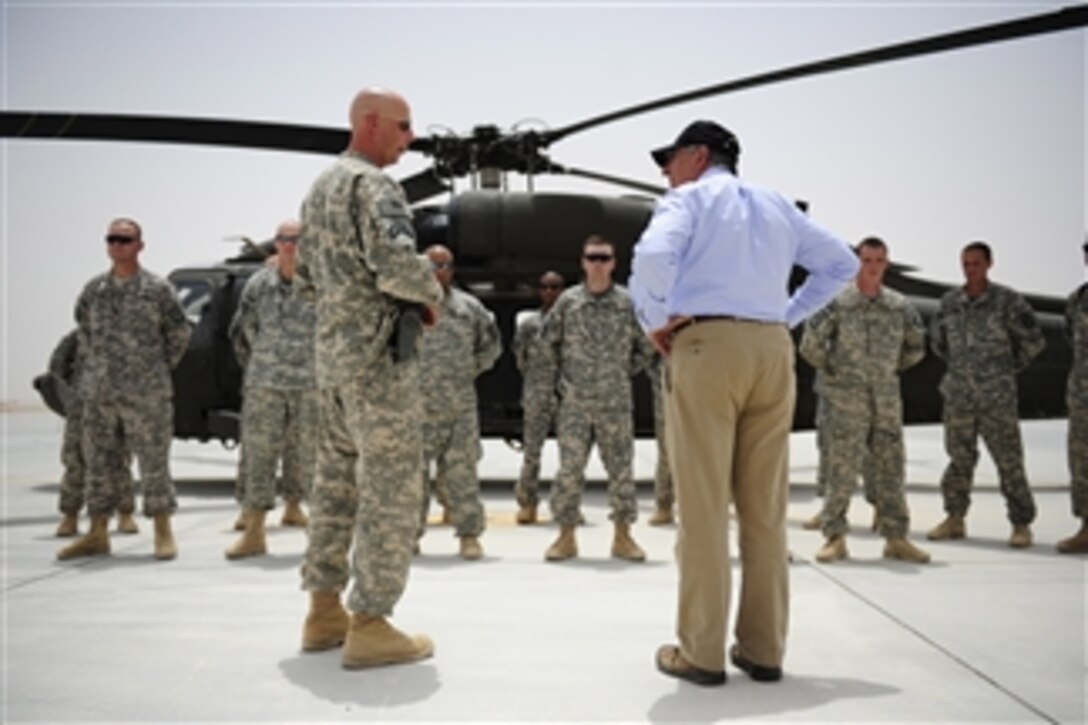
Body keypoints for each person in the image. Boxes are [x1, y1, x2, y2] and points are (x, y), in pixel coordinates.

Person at [629, 120, 858, 686]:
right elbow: (843, 264)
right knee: (764, 511)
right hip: (772, 351)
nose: (665, 170)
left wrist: (655, 321)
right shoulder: (777, 204)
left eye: (671, 158)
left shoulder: (688, 198)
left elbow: (654, 255)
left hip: (707, 347)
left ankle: (701, 653)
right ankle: (763, 649)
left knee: (704, 507)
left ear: (699, 155)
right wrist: (784, 317)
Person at [296, 87, 443, 669]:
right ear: (372, 123)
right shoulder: (374, 186)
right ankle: (372, 623)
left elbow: (305, 278)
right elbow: (396, 265)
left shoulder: (320, 189)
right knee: (390, 494)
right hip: (378, 366)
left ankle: (324, 612)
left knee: (334, 491)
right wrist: (431, 292)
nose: (410, 139)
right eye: (403, 127)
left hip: (331, 367)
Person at [57, 217, 192, 561]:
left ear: (139, 246)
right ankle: (97, 533)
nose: (118, 245)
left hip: (146, 393)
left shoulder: (157, 289)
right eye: (112, 239)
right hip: (99, 393)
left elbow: (179, 334)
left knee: (153, 462)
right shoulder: (94, 291)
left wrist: (154, 369)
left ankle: (163, 531)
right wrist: (94, 374)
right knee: (99, 463)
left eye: (125, 239)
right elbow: (83, 331)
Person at [799, 237, 930, 564]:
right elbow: (810, 345)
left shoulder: (899, 306)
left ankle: (896, 538)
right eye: (867, 260)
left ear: (886, 264)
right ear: (857, 263)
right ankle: (835, 537)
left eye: (879, 261)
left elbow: (916, 347)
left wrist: (887, 371)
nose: (872, 267)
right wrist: (837, 372)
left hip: (885, 402)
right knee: (841, 473)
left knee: (891, 472)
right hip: (847, 402)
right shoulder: (837, 304)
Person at [542, 235, 655, 562]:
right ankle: (565, 537)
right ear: (583, 261)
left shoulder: (627, 303)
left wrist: (618, 373)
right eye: (592, 257)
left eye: (604, 258)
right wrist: (562, 381)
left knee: (621, 470)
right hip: (575, 403)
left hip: (614, 403)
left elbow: (645, 348)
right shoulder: (568, 301)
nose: (598, 264)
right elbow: (549, 342)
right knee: (569, 470)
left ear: (614, 262)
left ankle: (623, 537)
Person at [927, 241, 1045, 548]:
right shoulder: (950, 302)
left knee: (1009, 461)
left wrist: (1004, 371)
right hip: (959, 396)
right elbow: (939, 343)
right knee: (958, 460)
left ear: (989, 264)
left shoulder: (1007, 301)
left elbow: (1033, 341)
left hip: (997, 398)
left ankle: (1021, 524)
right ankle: (955, 519)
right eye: (966, 264)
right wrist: (962, 370)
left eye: (976, 263)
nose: (970, 269)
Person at [225, 219, 318, 560]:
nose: (290, 245)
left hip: (312, 386)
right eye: (283, 239)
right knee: (259, 460)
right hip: (265, 384)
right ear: (275, 244)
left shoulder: (323, 284)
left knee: (316, 463)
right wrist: (262, 366)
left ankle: (320, 541)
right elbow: (242, 332)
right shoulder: (259, 285)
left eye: (296, 239)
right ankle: (254, 533)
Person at [415, 244, 502, 559]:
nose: (437, 272)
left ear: (452, 270)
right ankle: (410, 537)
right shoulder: (405, 308)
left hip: (459, 407)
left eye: (444, 266)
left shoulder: (469, 308)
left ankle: (469, 536)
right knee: (413, 479)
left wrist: (466, 371)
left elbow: (490, 347)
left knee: (462, 475)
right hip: (416, 408)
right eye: (431, 266)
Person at [49, 330, 138, 538]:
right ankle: (70, 516)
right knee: (75, 459)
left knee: (120, 459)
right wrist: (72, 393)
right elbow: (57, 366)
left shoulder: (123, 334)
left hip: (115, 403)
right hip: (81, 405)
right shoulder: (77, 337)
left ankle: (125, 513)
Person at [512, 270, 564, 524]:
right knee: (532, 452)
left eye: (555, 287)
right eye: (545, 287)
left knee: (571, 454)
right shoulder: (529, 325)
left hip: (567, 396)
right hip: (537, 394)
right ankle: (527, 503)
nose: (550, 292)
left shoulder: (572, 323)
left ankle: (566, 504)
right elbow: (521, 359)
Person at [1057, 240, 1088, 554]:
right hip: (1082, 396)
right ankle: (1086, 528)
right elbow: (1072, 339)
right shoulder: (1077, 301)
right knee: (1081, 463)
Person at [646, 353, 675, 526]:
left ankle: (719, 502)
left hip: (702, 377)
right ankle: (664, 506)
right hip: (668, 377)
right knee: (667, 447)